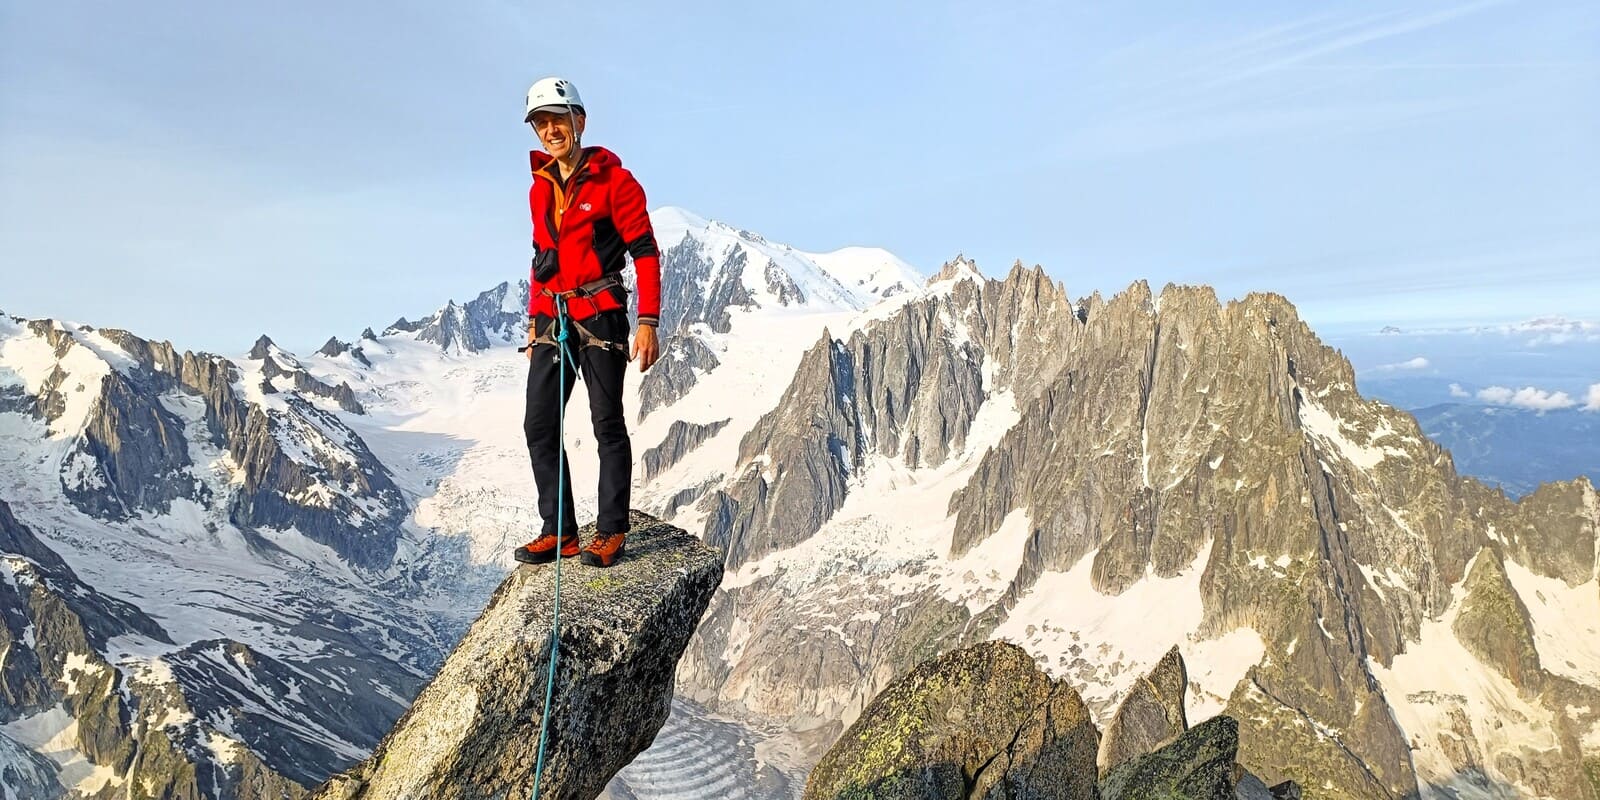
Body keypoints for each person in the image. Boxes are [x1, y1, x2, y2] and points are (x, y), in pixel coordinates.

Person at [513, 76, 661, 569]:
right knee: (539, 422)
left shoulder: (615, 183)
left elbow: (644, 251)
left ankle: (611, 531)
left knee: (606, 423)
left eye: (558, 118)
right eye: (541, 122)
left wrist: (648, 320)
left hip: (602, 315)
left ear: (580, 119)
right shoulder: (539, 190)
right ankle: (560, 531)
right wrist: (535, 323)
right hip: (554, 319)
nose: (550, 130)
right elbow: (541, 260)